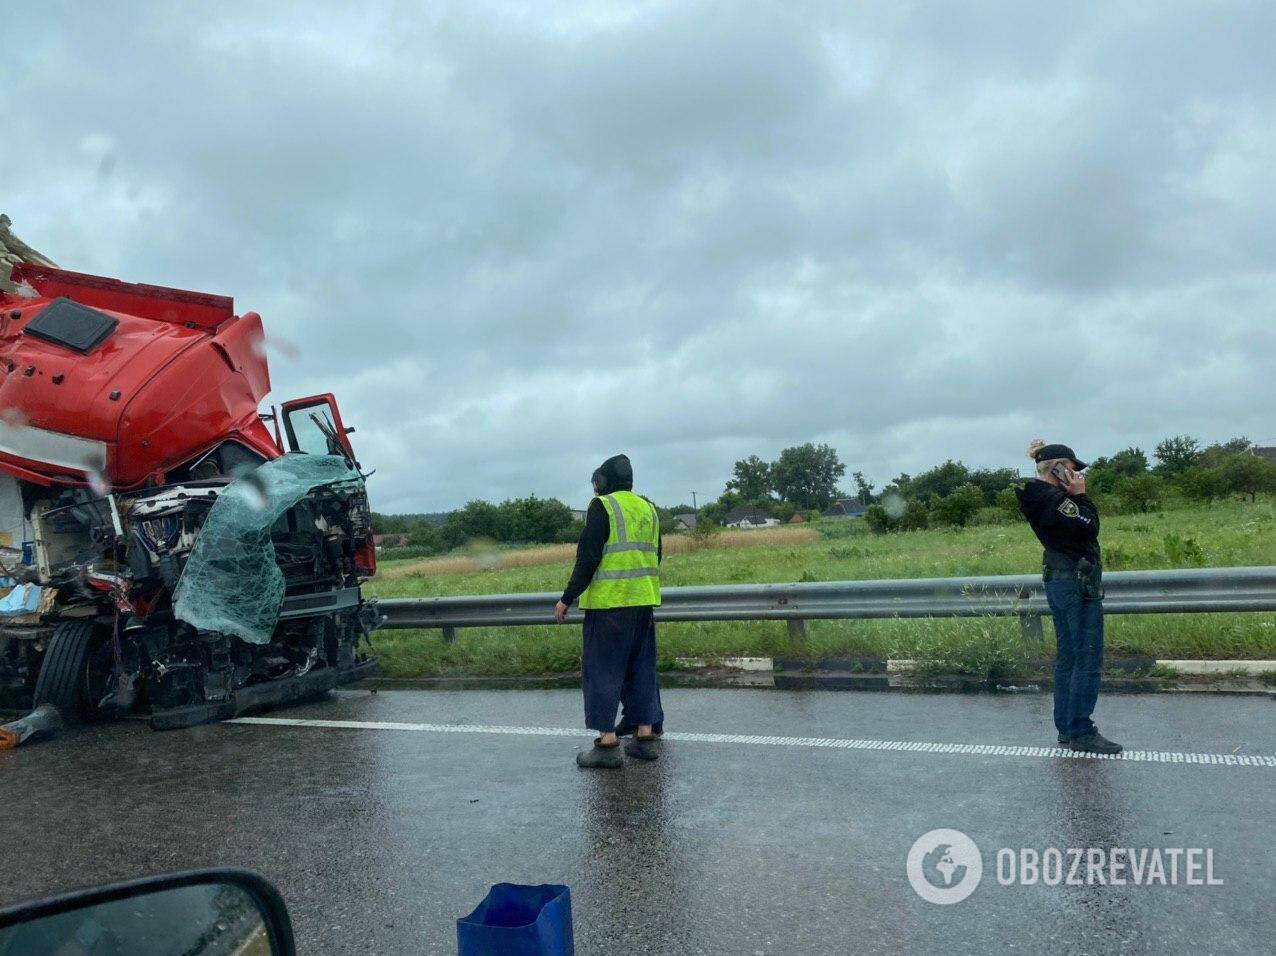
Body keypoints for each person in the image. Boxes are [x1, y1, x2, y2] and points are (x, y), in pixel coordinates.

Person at [554, 454, 664, 768]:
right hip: (642, 602)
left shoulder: (602, 507)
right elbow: (657, 555)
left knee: (603, 672)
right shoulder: (648, 508)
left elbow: (587, 559)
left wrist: (566, 599)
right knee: (640, 670)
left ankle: (607, 743)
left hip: (608, 606)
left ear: (602, 482)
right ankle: (644, 738)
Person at [1015, 439, 1122, 754]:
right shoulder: (1056, 501)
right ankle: (1079, 729)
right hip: (1075, 583)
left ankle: (1067, 727)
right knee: (1087, 656)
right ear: (1058, 469)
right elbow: (1090, 526)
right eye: (1073, 469)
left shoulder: (1042, 498)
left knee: (1069, 658)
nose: (1077, 475)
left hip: (1061, 581)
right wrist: (1081, 495)